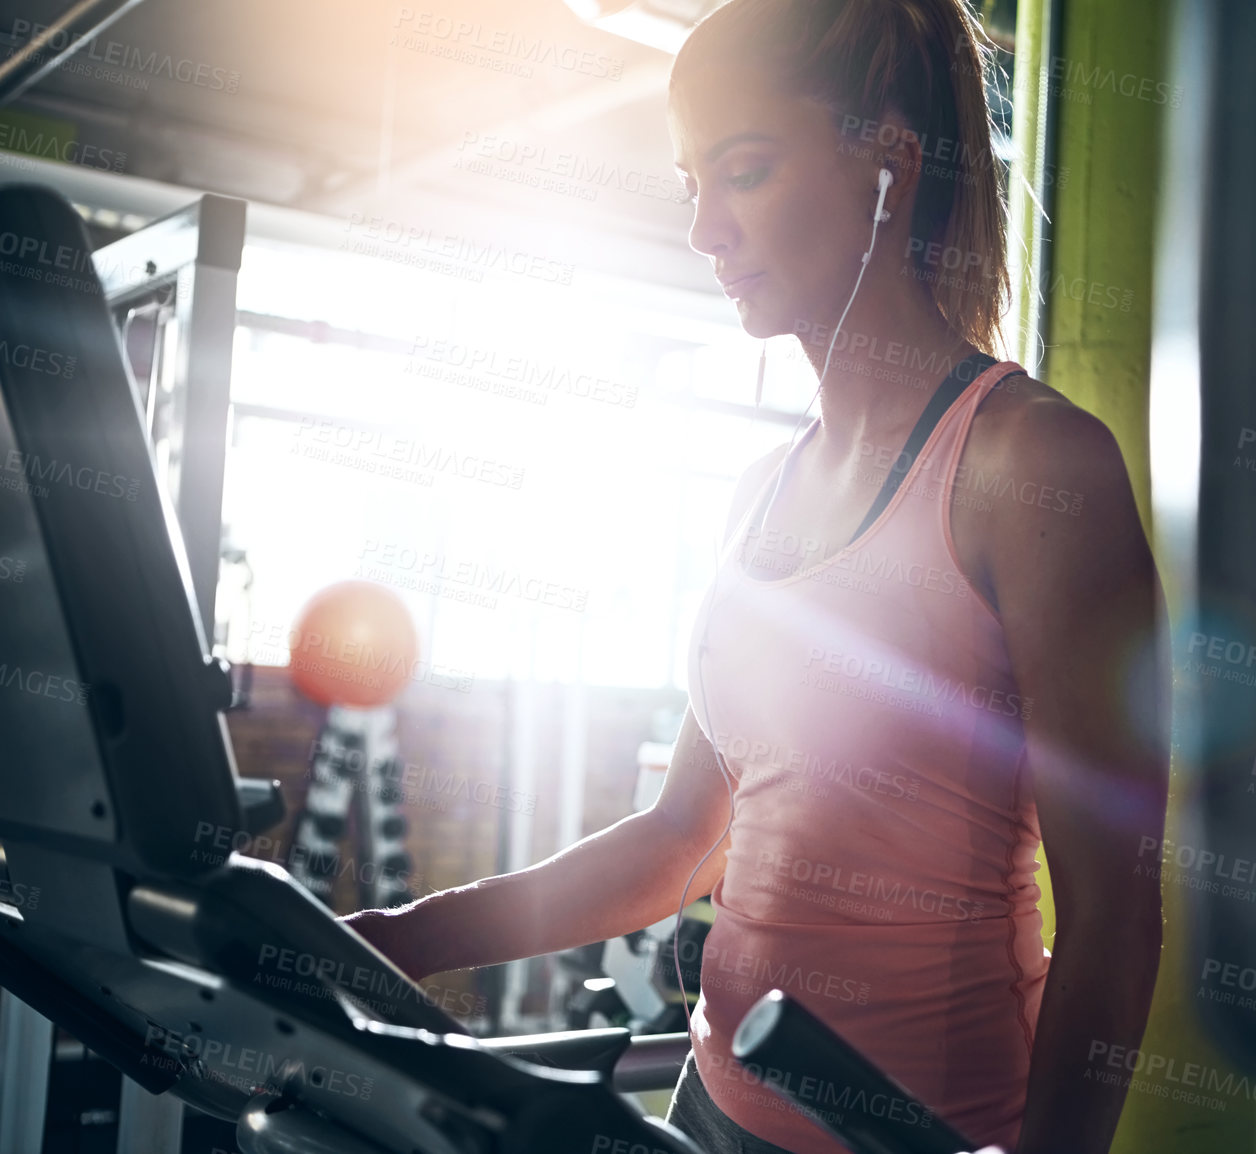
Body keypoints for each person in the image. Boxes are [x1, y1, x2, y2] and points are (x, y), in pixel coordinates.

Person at [341, 2, 1169, 1152]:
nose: (704, 230)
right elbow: (676, 839)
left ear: (888, 158)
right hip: (709, 1107)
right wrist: (403, 932)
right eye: (691, 182)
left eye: (744, 170)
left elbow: (1117, 912)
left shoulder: (1031, 463)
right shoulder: (761, 490)